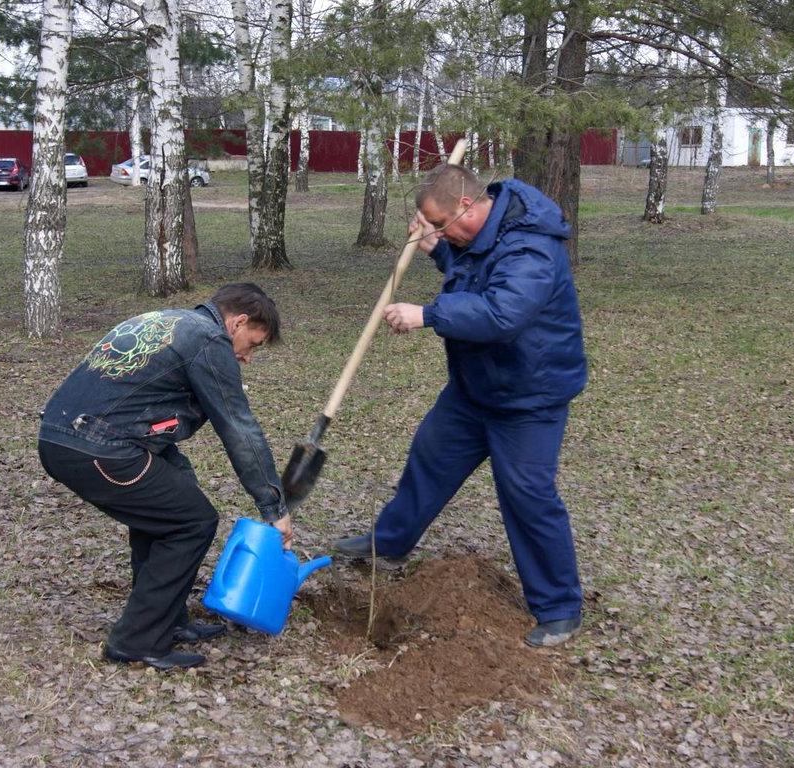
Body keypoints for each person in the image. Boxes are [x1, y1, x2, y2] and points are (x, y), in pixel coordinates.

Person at [333, 164, 588, 647]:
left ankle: (558, 608)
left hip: (529, 396)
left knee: (528, 495)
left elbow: (502, 311)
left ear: (468, 205)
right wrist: (439, 248)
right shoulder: (480, 235)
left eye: (443, 224)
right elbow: (473, 269)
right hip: (476, 388)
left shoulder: (531, 244)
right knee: (430, 459)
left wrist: (428, 313)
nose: (443, 231)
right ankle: (389, 544)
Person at [38, 283, 292, 670]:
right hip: (98, 448)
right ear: (237, 322)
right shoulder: (209, 340)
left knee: (169, 502)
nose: (248, 357)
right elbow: (239, 428)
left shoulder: (169, 321)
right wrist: (273, 506)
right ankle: (137, 640)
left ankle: (167, 621)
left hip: (66, 437)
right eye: (253, 344)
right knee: (193, 521)